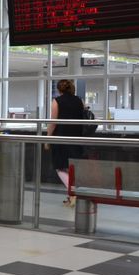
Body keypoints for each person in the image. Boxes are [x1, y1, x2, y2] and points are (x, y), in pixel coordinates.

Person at [46, 79, 84, 207]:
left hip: (61, 139)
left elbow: (53, 122)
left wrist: (48, 138)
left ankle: (73, 194)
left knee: (60, 167)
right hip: (77, 138)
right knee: (73, 168)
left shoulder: (57, 101)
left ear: (59, 89)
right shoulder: (80, 101)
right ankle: (72, 195)